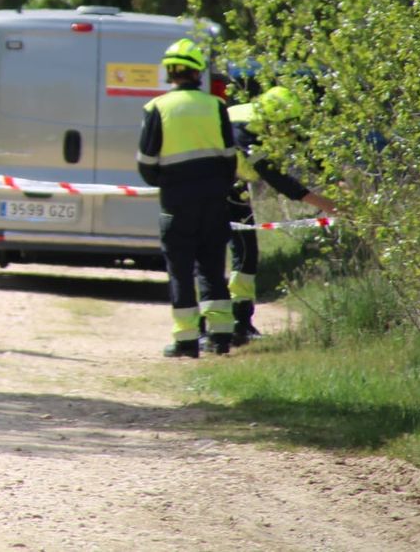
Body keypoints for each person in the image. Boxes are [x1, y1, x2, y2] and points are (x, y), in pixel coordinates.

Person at [137, 38, 238, 358]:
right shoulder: (216, 106)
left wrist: (167, 182)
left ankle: (186, 340)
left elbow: (146, 162)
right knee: (212, 267)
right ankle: (220, 337)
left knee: (180, 270)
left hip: (176, 202)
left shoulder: (157, 108)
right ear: (198, 73)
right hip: (214, 200)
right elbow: (230, 158)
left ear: (169, 72)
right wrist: (218, 186)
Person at [220, 84, 336, 345]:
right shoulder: (244, 129)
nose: (289, 131)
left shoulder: (269, 120)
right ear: (274, 120)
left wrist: (335, 178)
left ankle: (240, 322)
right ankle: (221, 324)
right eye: (286, 126)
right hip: (213, 186)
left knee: (246, 253)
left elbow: (307, 150)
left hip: (234, 184)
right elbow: (273, 175)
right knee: (221, 254)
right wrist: (322, 202)